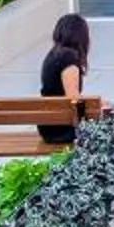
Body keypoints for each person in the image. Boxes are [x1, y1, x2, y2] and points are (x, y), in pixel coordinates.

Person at [36, 13, 92, 145]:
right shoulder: (69, 58)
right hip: (62, 129)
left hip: (50, 124)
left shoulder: (53, 54)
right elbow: (73, 98)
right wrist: (96, 107)